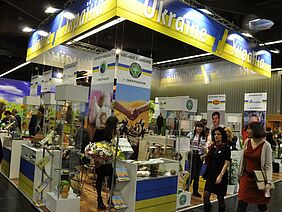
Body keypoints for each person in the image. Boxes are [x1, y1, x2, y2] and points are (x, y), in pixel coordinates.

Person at [237, 123, 273, 212]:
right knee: (241, 203)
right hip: (246, 177)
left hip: (259, 180)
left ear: (256, 130)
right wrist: (240, 175)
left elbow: (268, 165)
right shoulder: (247, 142)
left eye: (249, 129)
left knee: (262, 206)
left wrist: (268, 182)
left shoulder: (266, 145)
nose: (247, 131)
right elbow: (243, 160)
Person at [93, 116, 118, 209]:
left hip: (108, 160)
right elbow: (94, 144)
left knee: (112, 178)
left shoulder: (111, 133)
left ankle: (110, 198)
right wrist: (97, 159)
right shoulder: (101, 131)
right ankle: (99, 199)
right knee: (100, 178)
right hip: (100, 159)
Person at [203, 127, 231, 212]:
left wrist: (220, 175)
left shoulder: (226, 147)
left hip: (220, 175)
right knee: (206, 196)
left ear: (222, 135)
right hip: (211, 174)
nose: (216, 136)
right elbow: (209, 158)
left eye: (218, 134)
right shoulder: (212, 147)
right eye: (215, 134)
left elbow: (227, 163)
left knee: (220, 198)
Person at [186, 122, 207, 197]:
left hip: (200, 156)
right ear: (195, 127)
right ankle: (186, 189)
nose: (199, 128)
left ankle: (195, 191)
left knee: (197, 175)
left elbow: (205, 145)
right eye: (198, 126)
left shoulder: (204, 136)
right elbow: (186, 144)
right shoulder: (190, 135)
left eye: (201, 127)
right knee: (192, 173)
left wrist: (205, 149)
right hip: (192, 155)